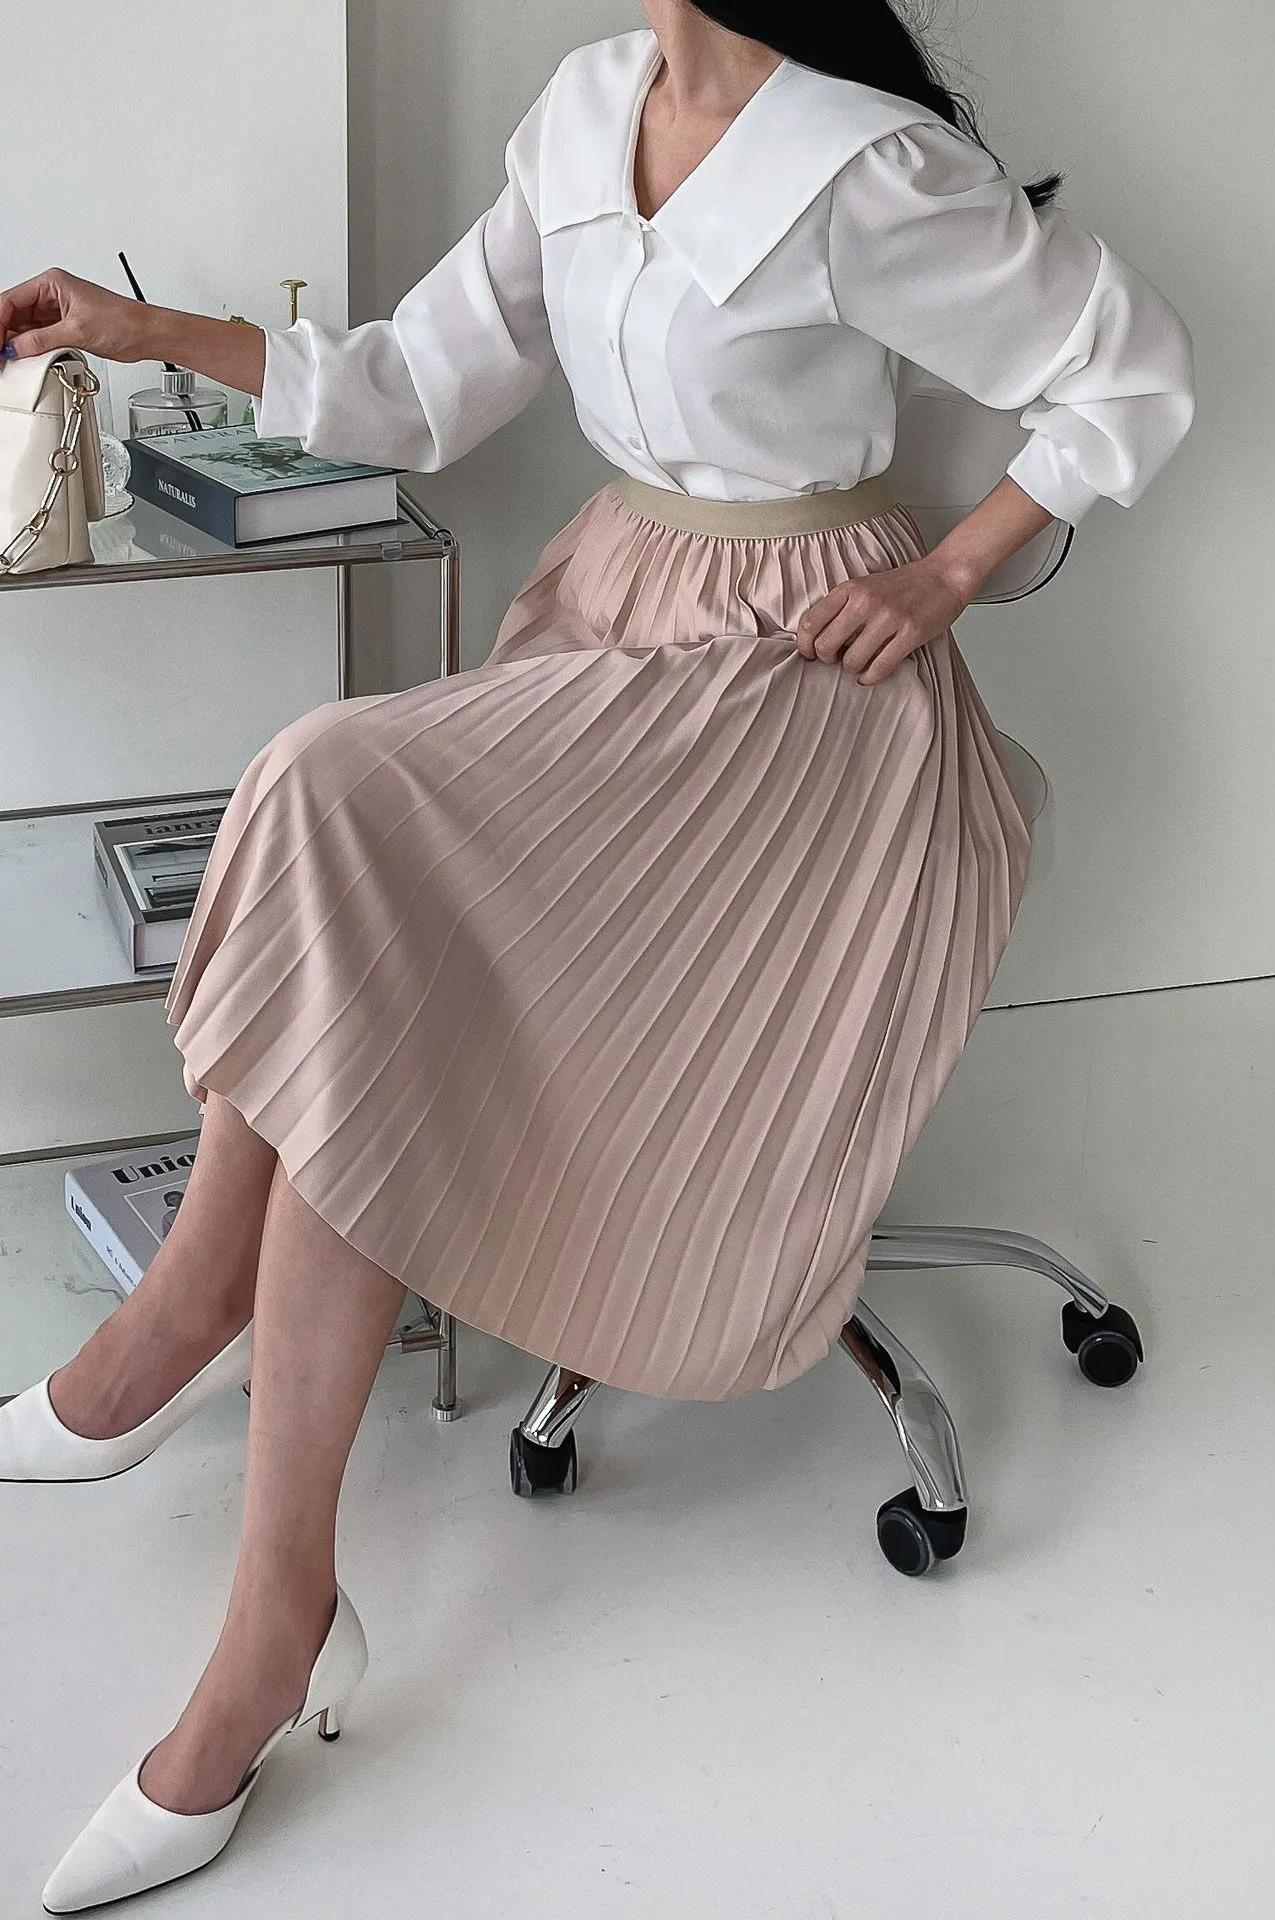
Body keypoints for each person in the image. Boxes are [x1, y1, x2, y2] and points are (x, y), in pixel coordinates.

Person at [0, 2, 1195, 1908]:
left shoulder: (865, 164)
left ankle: (221, 1442)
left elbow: (1130, 368)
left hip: (800, 698)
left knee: (325, 786)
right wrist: (144, 329)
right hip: (612, 631)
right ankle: (239, 1462)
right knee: (363, 902)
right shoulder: (581, 112)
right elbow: (408, 390)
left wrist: (947, 572)